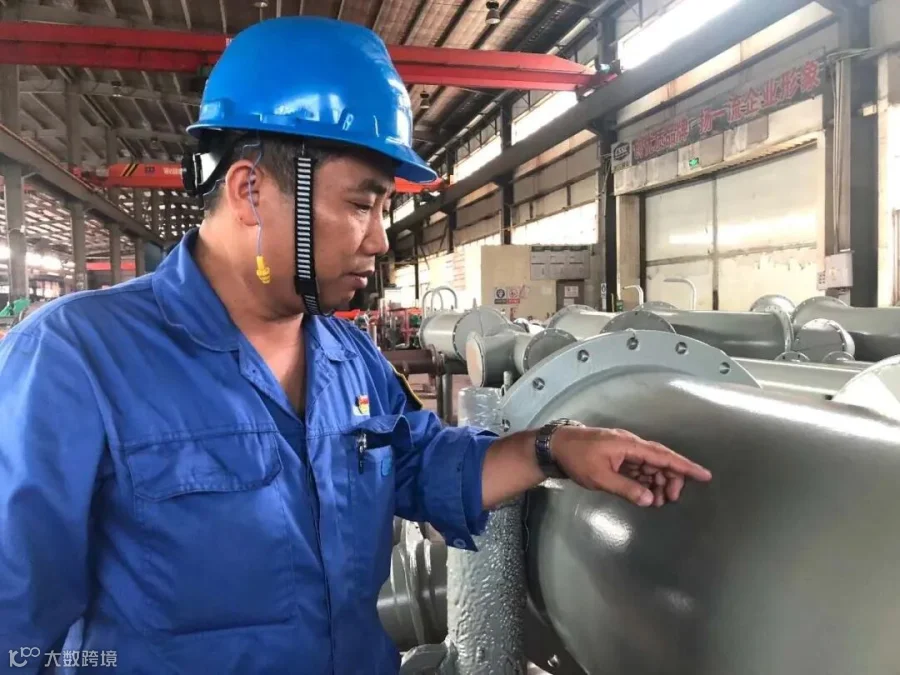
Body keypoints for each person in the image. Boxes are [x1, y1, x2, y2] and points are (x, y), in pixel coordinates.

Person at [0, 16, 711, 675]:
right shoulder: (78, 360)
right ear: (250, 191)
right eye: (361, 204)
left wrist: (556, 448)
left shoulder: (348, 358)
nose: (378, 239)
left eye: (384, 208)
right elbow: (15, 619)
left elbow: (420, 464)